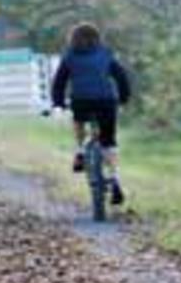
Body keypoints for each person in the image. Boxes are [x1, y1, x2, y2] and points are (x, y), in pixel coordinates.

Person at [51, 22, 131, 207]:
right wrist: (123, 98)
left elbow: (59, 82)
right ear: (97, 38)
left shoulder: (69, 57)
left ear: (73, 39)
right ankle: (114, 178)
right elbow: (121, 76)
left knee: (78, 121)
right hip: (106, 101)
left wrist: (58, 103)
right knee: (109, 142)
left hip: (82, 100)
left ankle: (80, 151)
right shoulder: (105, 54)